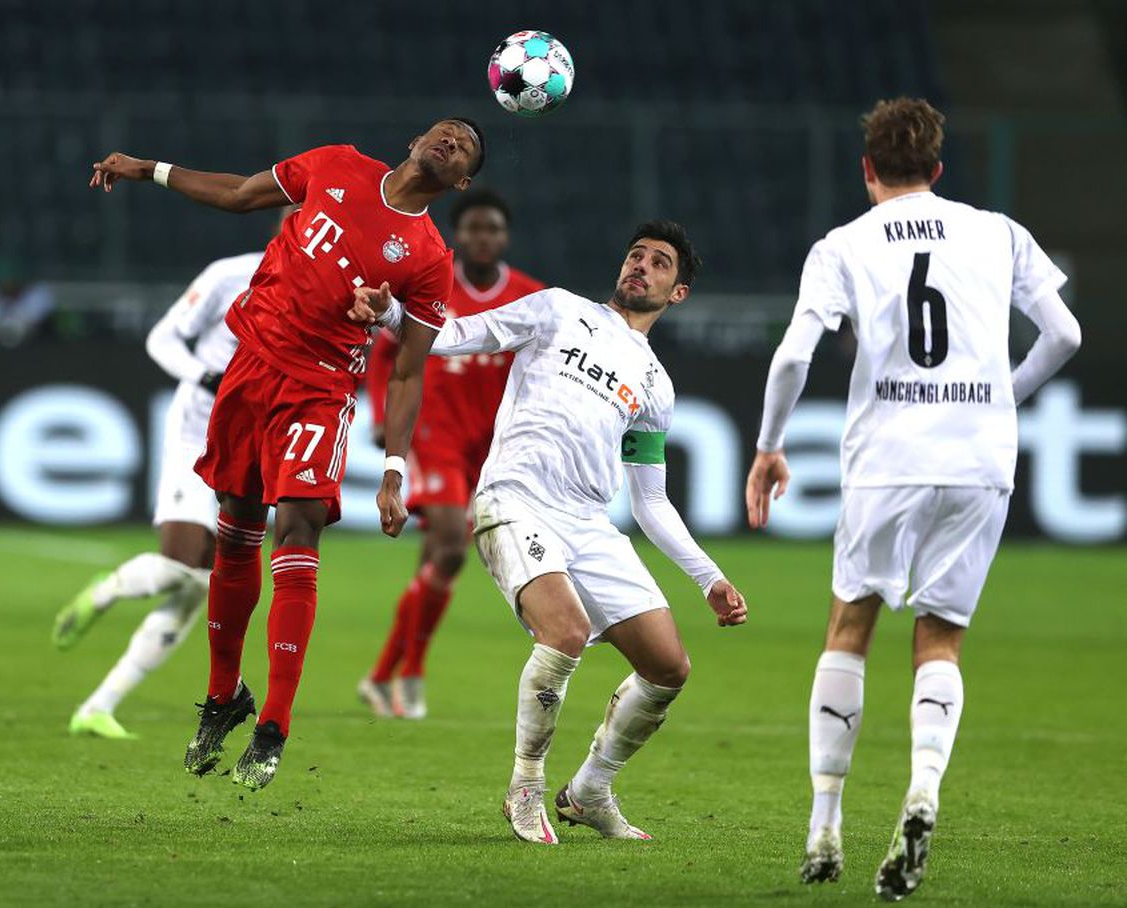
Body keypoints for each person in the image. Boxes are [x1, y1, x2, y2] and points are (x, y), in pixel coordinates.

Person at [744, 98, 1081, 900]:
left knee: (849, 625)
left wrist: (768, 446)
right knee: (941, 640)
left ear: (867, 170)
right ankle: (923, 790)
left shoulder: (844, 245)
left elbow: (794, 358)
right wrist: (1005, 397)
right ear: (937, 169)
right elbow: (1065, 335)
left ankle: (826, 822)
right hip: (978, 456)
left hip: (886, 458)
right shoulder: (998, 232)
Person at [87, 116, 485, 789]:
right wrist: (147, 168)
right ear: (416, 139)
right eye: (445, 132)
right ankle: (222, 698)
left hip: (319, 389)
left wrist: (393, 470)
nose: (451, 141)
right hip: (250, 371)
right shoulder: (334, 164)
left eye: (466, 147)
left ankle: (274, 723)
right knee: (234, 534)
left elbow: (412, 368)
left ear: (460, 181)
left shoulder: (427, 258)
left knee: (295, 532)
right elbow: (239, 194)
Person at [350, 220, 748, 845]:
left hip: (589, 522)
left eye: (659, 263)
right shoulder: (557, 309)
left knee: (668, 666)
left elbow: (650, 500)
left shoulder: (654, 386)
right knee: (565, 630)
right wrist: (393, 312)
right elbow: (454, 335)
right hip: (515, 498)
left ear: (678, 293)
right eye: (635, 253)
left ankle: (589, 790)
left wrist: (711, 578)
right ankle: (526, 787)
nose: (640, 265)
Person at [51, 214, 290, 738]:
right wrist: (205, 374)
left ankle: (98, 705)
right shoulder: (230, 275)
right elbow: (162, 338)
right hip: (199, 424)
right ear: (283, 226)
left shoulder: (326, 293)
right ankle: (110, 588)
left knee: (203, 583)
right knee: (184, 564)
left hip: (258, 436)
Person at [359, 188, 545, 719]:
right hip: (434, 434)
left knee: (434, 566)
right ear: (459, 235)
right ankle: (412, 674)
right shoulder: (432, 285)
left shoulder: (530, 297)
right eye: (473, 229)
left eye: (493, 229)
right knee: (450, 548)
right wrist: (381, 416)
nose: (483, 237)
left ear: (504, 237)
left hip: (491, 447)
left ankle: (380, 677)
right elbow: (385, 350)